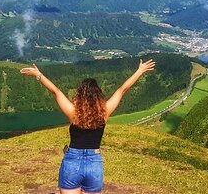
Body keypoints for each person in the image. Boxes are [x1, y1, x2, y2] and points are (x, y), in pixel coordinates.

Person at [20, 58, 156, 194]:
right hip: (94, 163)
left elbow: (56, 92)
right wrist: (140, 71)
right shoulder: (104, 112)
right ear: (98, 96)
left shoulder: (73, 113)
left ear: (79, 95)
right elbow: (122, 90)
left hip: (72, 162)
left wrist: (38, 75)